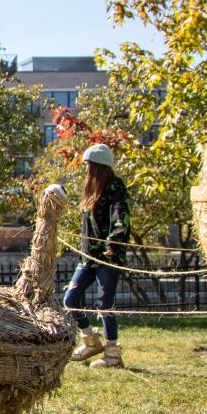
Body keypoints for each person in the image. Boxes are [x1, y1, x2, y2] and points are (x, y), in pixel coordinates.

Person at [64, 144, 130, 369]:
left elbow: (120, 214)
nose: (87, 170)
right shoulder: (90, 189)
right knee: (70, 300)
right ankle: (91, 341)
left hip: (107, 257)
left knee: (104, 304)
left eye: (89, 166)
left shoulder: (115, 187)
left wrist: (114, 241)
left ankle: (113, 353)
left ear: (99, 167)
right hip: (89, 257)